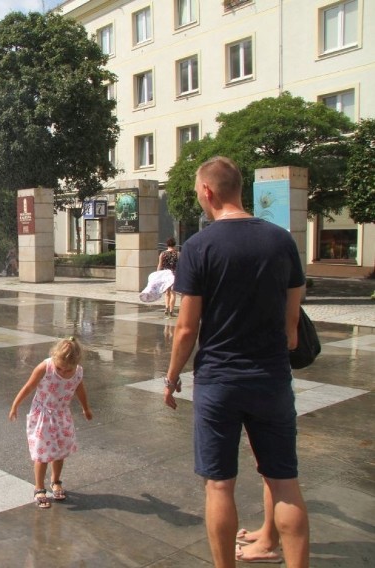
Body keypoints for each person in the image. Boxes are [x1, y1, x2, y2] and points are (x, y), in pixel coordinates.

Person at [163, 156, 309, 567]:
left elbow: (187, 329)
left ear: (208, 192)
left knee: (220, 486)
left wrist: (171, 377)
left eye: (197, 190)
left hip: (219, 380)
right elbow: (292, 325)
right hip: (271, 378)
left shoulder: (199, 246)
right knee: (284, 482)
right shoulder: (281, 240)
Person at [9, 337, 93, 509]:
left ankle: (56, 481)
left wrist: (86, 408)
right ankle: (39, 487)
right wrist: (15, 405)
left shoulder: (77, 371)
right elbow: (28, 387)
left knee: (60, 451)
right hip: (43, 415)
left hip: (62, 414)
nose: (63, 371)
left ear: (76, 363)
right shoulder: (45, 367)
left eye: (67, 369)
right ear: (55, 357)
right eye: (60, 367)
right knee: (42, 452)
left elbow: (80, 389)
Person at [157, 237, 179, 317]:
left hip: (166, 274)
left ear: (167, 244)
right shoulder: (178, 253)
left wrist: (158, 273)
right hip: (174, 274)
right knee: (173, 293)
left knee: (167, 292)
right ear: (174, 244)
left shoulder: (162, 254)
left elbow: (160, 265)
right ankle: (171, 311)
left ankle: (166, 308)